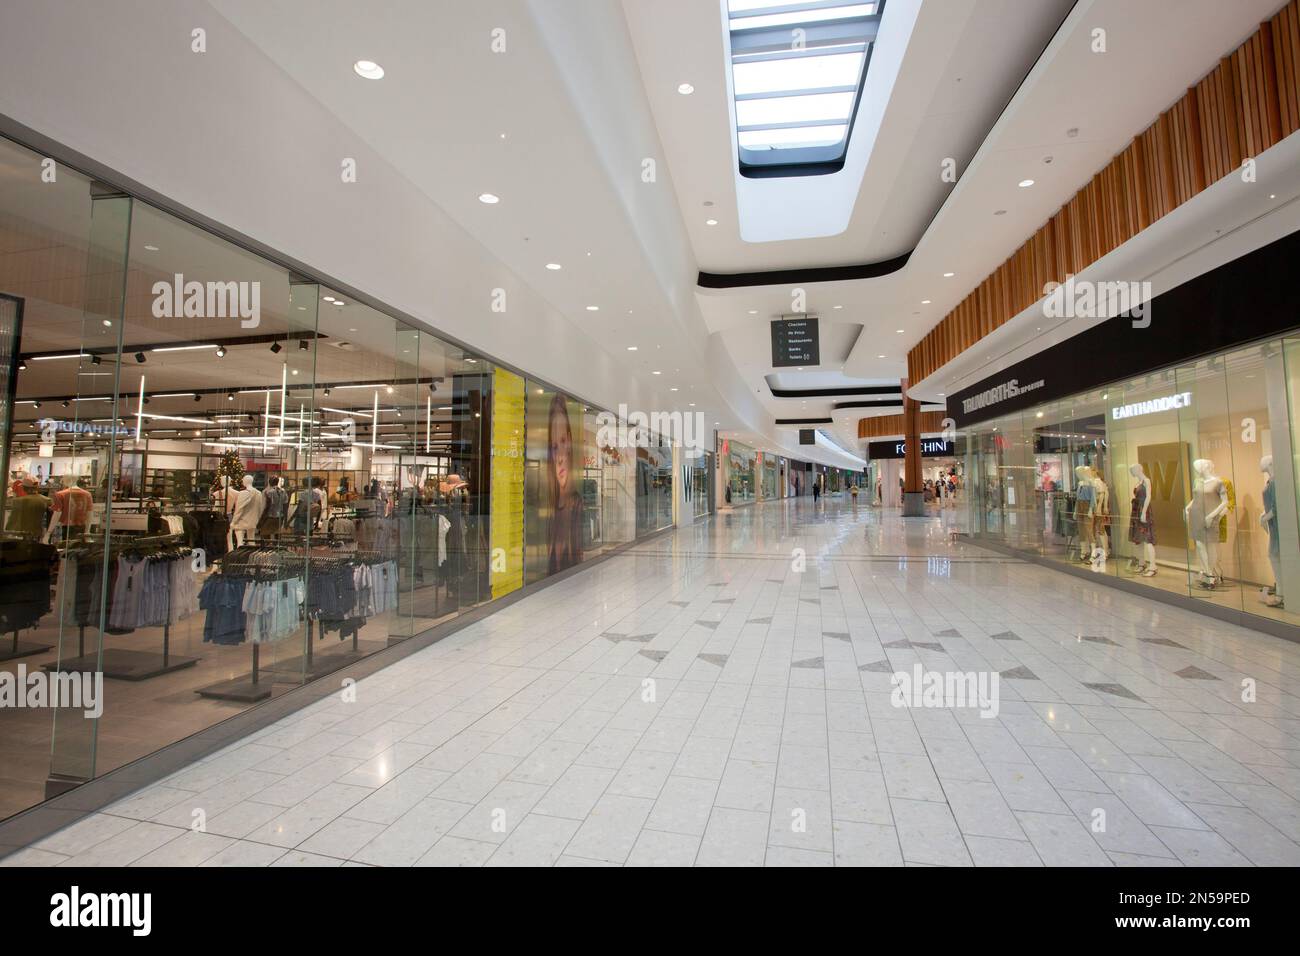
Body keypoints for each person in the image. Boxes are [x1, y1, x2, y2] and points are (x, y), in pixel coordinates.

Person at [547, 392, 583, 573]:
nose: (560, 457)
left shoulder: (576, 503)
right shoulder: (548, 506)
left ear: (569, 442)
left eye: (562, 442)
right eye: (554, 447)